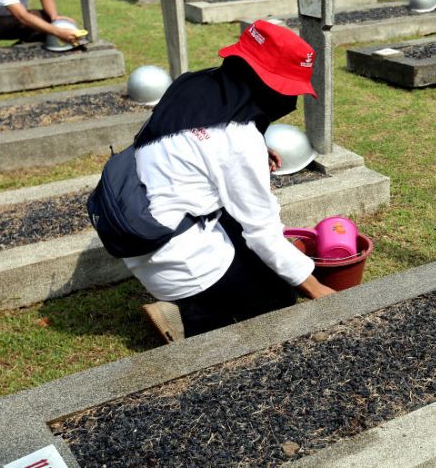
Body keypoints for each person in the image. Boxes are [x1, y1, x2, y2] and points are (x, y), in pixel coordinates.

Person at [126, 20, 336, 338]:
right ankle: (203, 336)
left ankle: (200, 303)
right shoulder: (239, 141)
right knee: (277, 294)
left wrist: (256, 147)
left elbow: (195, 142)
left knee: (256, 259)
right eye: (288, 89)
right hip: (170, 252)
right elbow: (263, 233)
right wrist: (317, 288)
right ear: (270, 86)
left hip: (143, 223)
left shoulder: (191, 84)